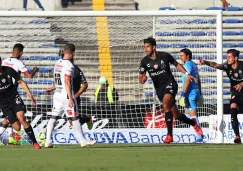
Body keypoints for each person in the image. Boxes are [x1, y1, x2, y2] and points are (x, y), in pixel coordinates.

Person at [139, 37, 203, 143]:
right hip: (159, 89)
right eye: (144, 47)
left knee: (165, 104)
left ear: (154, 47)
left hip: (171, 84)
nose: (145, 49)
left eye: (148, 47)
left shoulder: (164, 55)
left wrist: (187, 73)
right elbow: (141, 77)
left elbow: (177, 64)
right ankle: (193, 123)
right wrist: (143, 79)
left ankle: (169, 135)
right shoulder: (144, 61)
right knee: (176, 115)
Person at [44, 44, 96, 148]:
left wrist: (53, 87)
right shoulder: (69, 65)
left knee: (53, 117)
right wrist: (71, 98)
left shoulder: (58, 62)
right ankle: (83, 141)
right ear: (73, 53)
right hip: (66, 95)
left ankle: (47, 141)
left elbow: (59, 79)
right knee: (75, 118)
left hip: (57, 94)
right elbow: (67, 82)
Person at [199, 49, 242, 144]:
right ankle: (237, 136)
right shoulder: (227, 66)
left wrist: (241, 84)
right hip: (236, 94)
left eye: (229, 57)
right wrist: (205, 62)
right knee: (233, 110)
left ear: (235, 58)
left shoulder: (242, 66)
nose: (227, 59)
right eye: (227, 57)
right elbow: (215, 65)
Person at [1, 43, 39, 145]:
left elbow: (21, 81)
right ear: (21, 52)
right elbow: (29, 76)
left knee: (18, 117)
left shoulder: (5, 62)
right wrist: (35, 70)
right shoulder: (19, 63)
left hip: (9, 94)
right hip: (7, 96)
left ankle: (32, 142)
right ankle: (10, 137)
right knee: (16, 123)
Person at [46, 58, 93, 131]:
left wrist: (75, 96)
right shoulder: (65, 69)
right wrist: (53, 88)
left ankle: (87, 119)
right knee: (71, 122)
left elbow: (85, 85)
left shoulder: (76, 70)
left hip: (73, 98)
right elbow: (64, 82)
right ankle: (86, 120)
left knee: (73, 122)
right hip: (65, 97)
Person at [179, 48, 204, 142]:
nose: (180, 57)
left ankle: (199, 137)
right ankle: (199, 135)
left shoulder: (188, 65)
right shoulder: (194, 64)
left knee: (193, 115)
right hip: (195, 91)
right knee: (187, 114)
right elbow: (199, 80)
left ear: (187, 56)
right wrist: (200, 93)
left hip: (190, 93)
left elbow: (188, 80)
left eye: (182, 55)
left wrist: (183, 94)